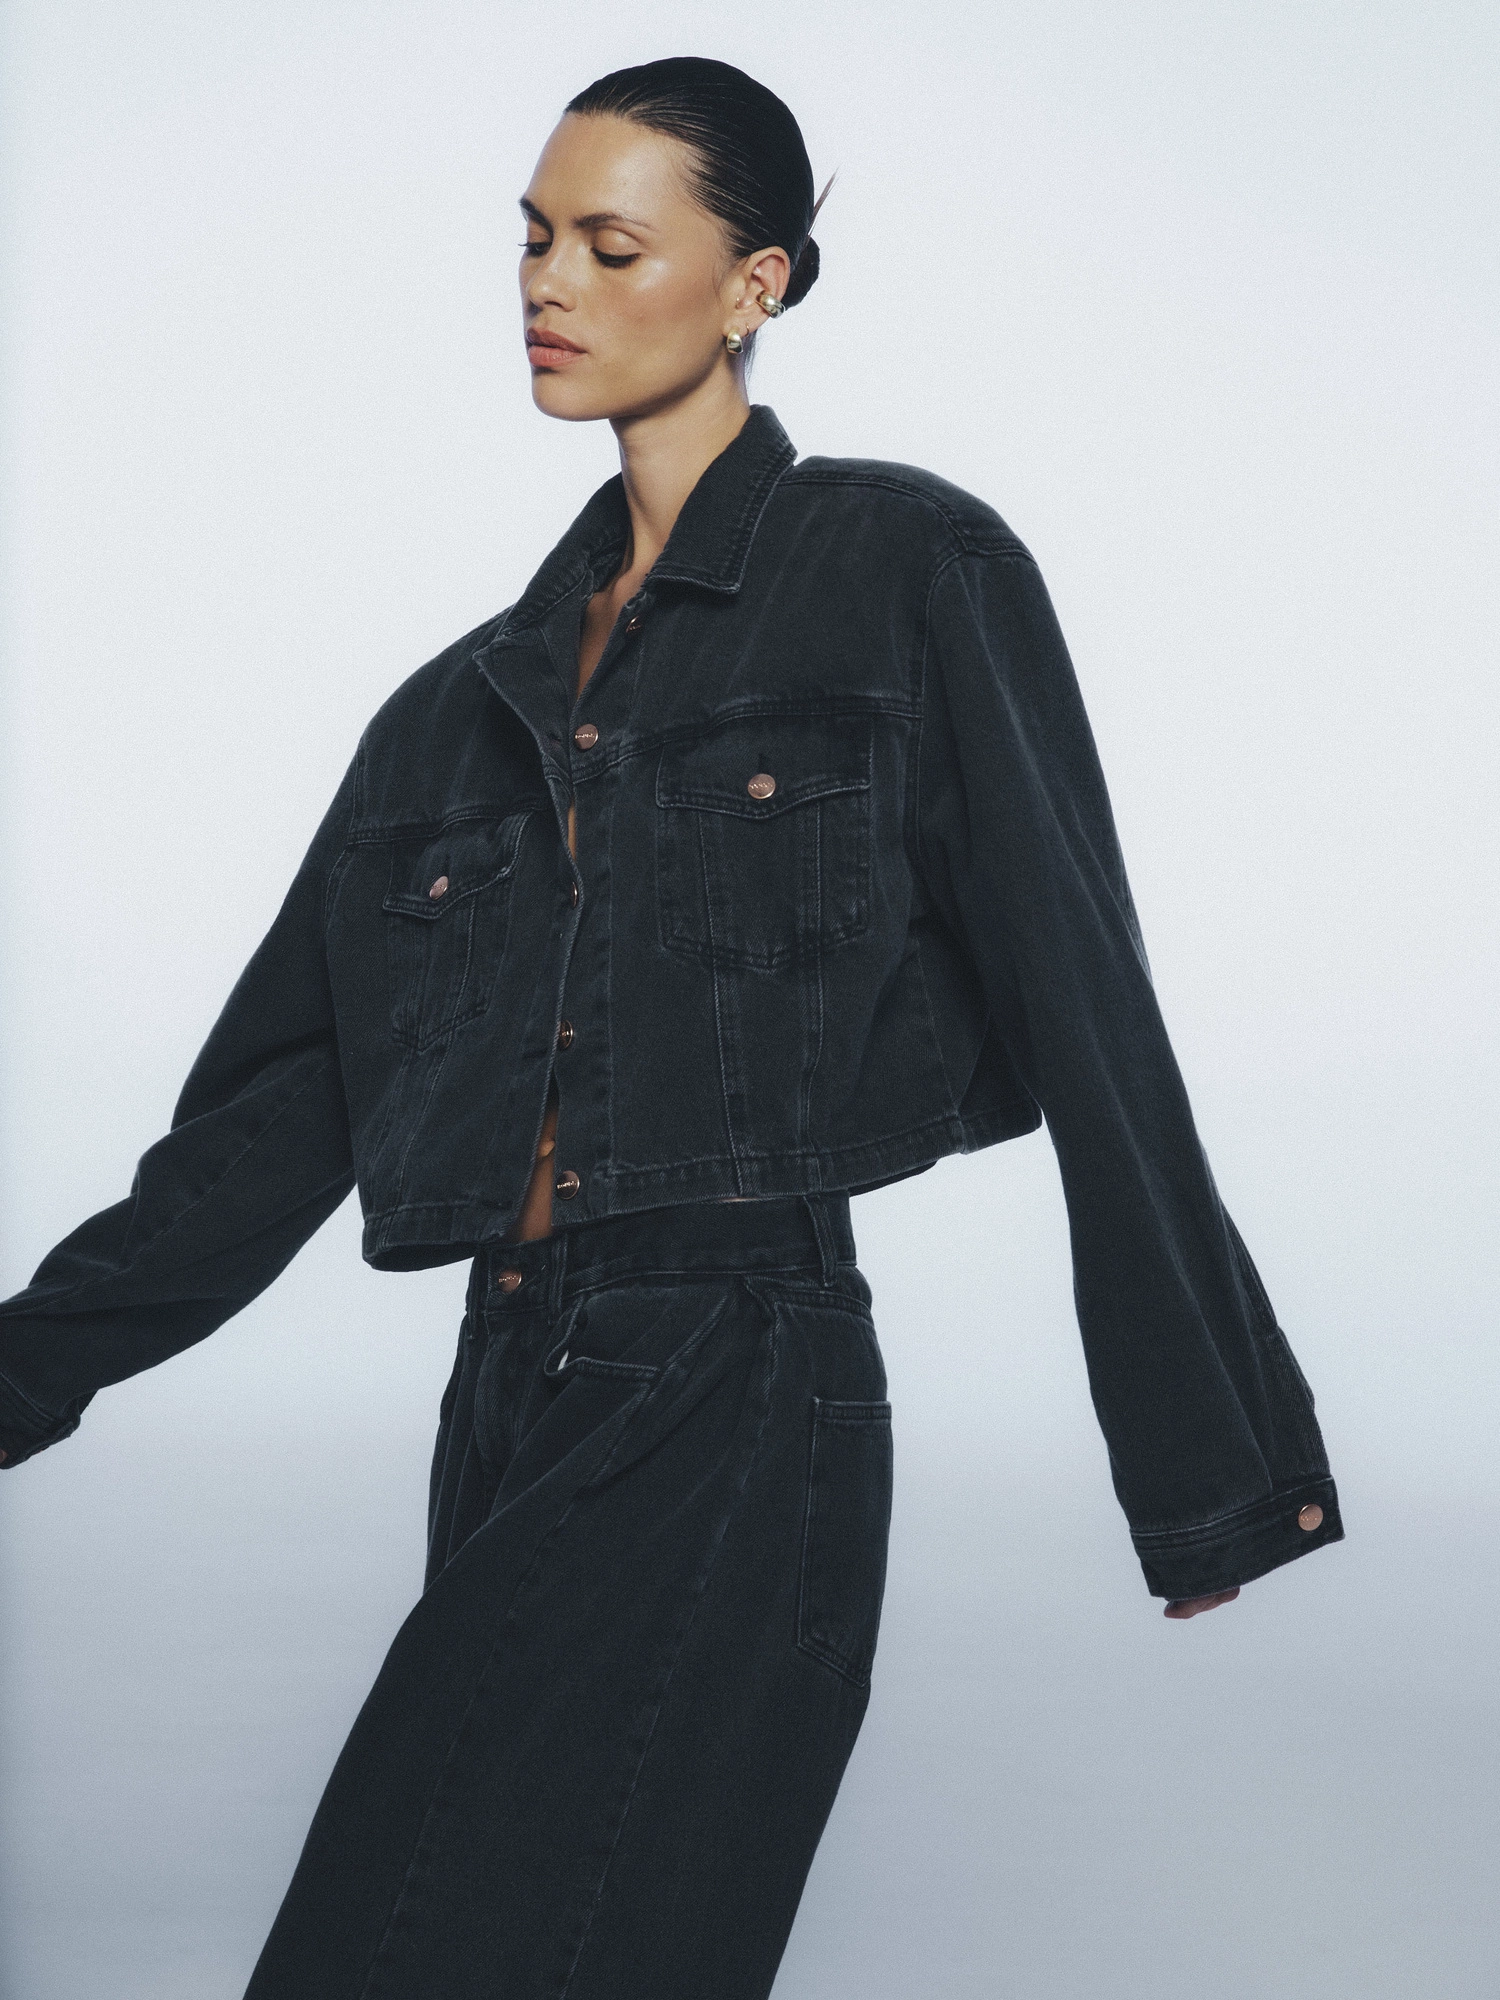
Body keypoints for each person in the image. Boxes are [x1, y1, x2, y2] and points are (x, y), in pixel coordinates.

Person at [0, 55, 1342, 2000]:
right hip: (508, 1382)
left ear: (753, 283)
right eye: (533, 237)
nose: (547, 281)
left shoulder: (907, 568)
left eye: (611, 245)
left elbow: (1084, 995)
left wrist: (1208, 1468)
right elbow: (265, 1133)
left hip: (738, 1371)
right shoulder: (452, 713)